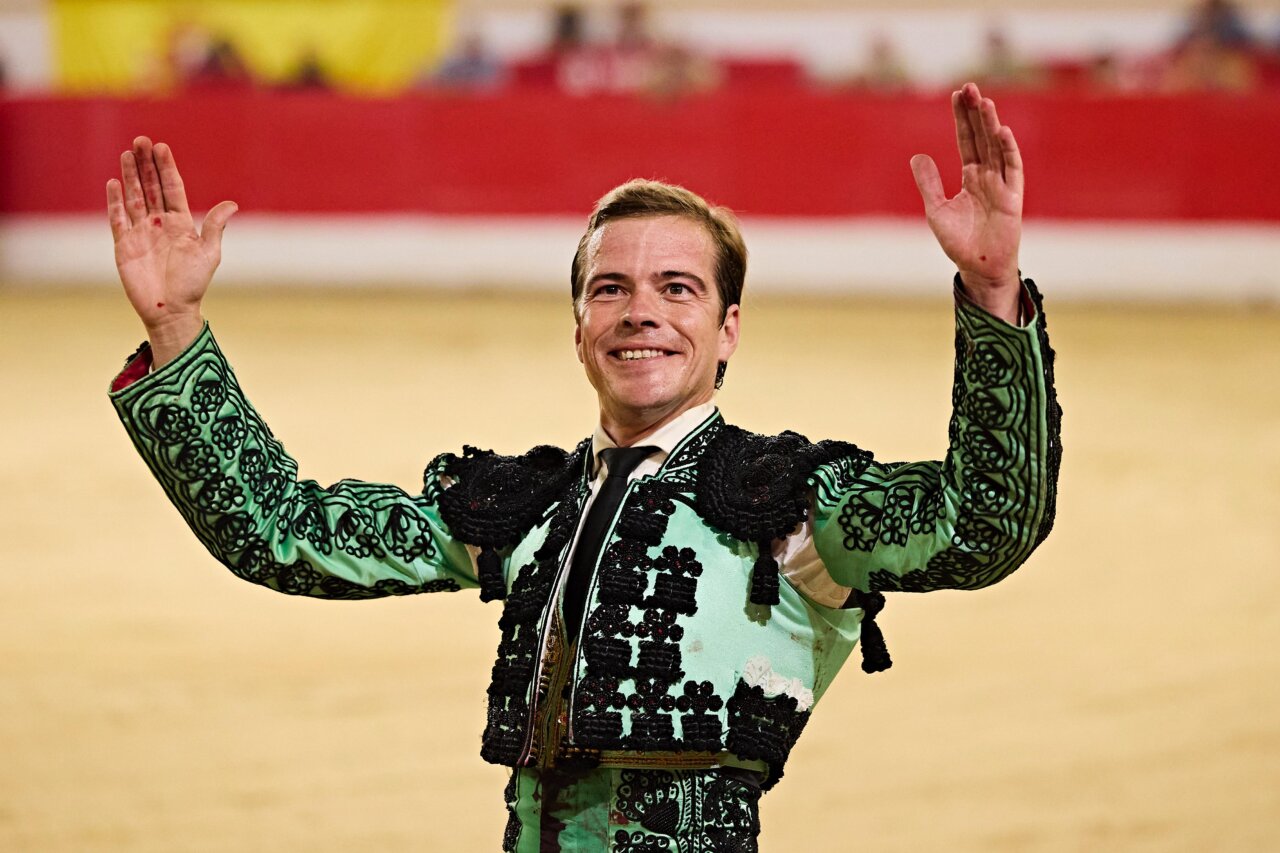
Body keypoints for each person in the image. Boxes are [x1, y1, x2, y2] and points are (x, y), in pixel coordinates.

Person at [105, 82, 1060, 851]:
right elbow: (285, 534)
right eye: (611, 288)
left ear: (727, 329)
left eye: (677, 288)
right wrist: (176, 327)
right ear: (579, 329)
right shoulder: (521, 506)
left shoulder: (792, 505)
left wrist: (990, 293)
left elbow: (984, 521)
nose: (641, 312)